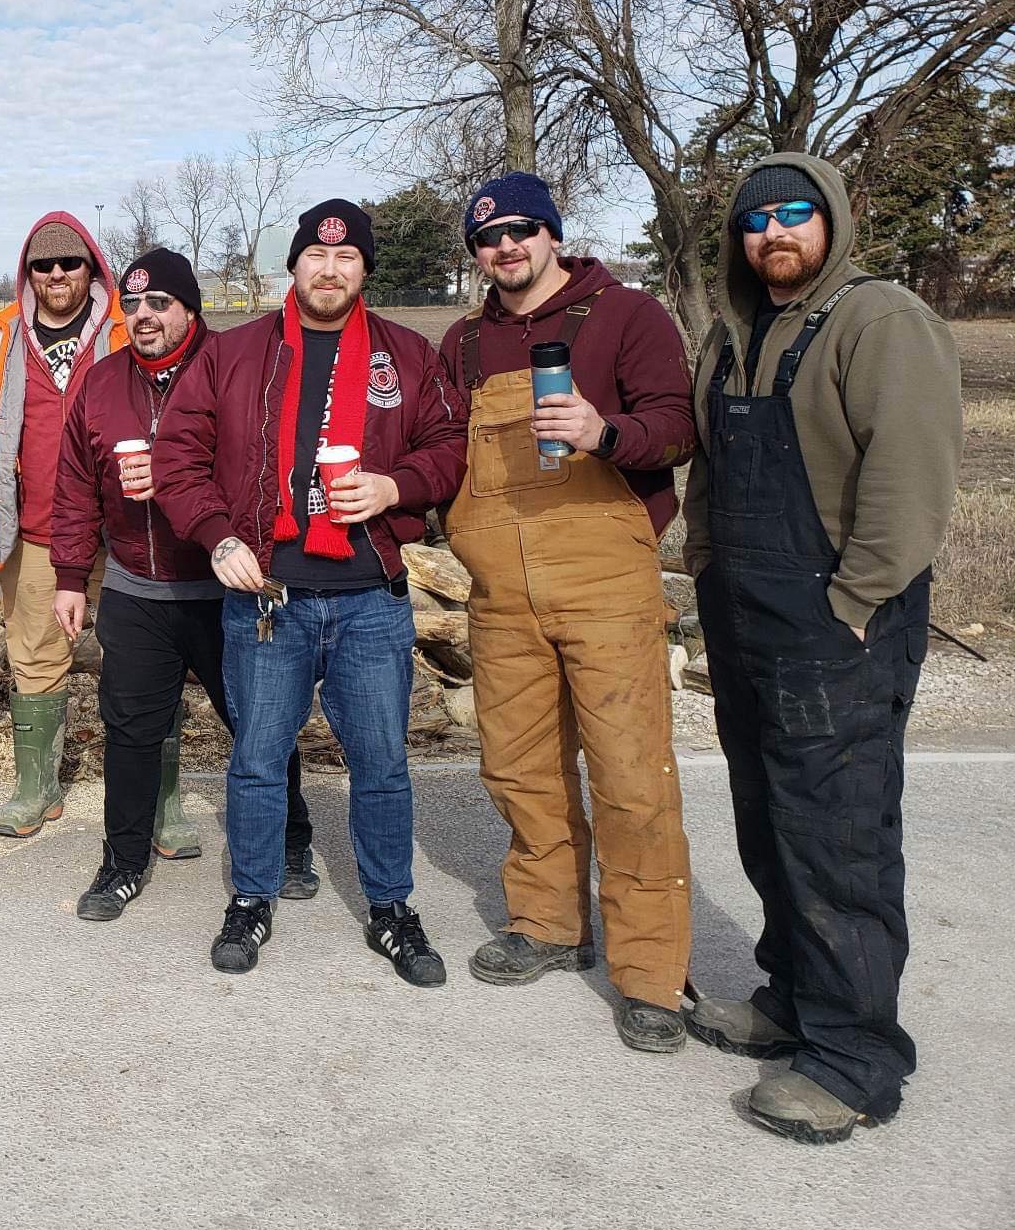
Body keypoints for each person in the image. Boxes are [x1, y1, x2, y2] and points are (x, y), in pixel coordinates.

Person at [682, 153, 960, 1144]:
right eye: (755, 222)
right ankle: (792, 1002)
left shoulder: (876, 322)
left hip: (837, 624)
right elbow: (712, 469)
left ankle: (853, 1061)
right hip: (745, 617)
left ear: (829, 221)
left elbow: (911, 477)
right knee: (768, 821)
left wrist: (853, 603)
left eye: (793, 215)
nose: (774, 235)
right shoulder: (733, 335)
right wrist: (705, 569)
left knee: (836, 834)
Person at [155, 201, 466, 981]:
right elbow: (177, 457)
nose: (330, 271)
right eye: (316, 258)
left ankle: (391, 905)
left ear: (364, 269)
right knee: (259, 760)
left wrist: (397, 486)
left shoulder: (406, 354)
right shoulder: (234, 353)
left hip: (370, 597)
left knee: (382, 763)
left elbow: (450, 448)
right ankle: (253, 897)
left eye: (347, 259)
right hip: (269, 597)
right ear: (293, 266)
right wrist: (219, 534)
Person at [438, 173, 699, 1053]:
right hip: (501, 589)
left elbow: (678, 425)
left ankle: (651, 972)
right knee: (520, 768)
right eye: (488, 238)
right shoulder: (467, 342)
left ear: (552, 234)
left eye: (520, 231)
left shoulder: (625, 315)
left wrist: (603, 431)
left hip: (605, 579)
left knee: (630, 777)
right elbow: (444, 455)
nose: (505, 248)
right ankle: (549, 924)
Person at [49, 248, 317, 920]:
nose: (143, 317)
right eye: (132, 305)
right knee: (131, 731)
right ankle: (123, 862)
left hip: (226, 586)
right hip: (138, 588)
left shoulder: (235, 368)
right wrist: (70, 576)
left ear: (189, 308)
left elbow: (266, 468)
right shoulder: (104, 381)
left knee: (259, 726)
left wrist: (179, 483)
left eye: (159, 303)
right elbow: (76, 484)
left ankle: (290, 842)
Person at [0, 212, 125, 838]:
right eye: (41, 265)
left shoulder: (126, 334)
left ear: (92, 268)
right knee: (35, 655)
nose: (55, 274)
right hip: (36, 532)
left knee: (147, 659)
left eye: (68, 263)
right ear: (27, 272)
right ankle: (37, 787)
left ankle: (158, 800)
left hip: (125, 532)